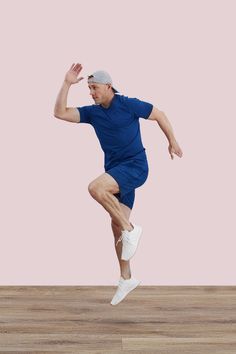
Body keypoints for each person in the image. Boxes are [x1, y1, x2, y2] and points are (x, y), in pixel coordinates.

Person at [54, 63, 183, 305]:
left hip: (135, 167)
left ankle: (132, 229)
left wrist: (172, 141)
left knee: (96, 188)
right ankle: (126, 278)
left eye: (95, 88)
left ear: (109, 86)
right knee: (115, 226)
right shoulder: (92, 113)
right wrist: (67, 84)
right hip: (116, 172)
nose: (91, 92)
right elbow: (60, 113)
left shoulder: (128, 104)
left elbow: (159, 114)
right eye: (89, 88)